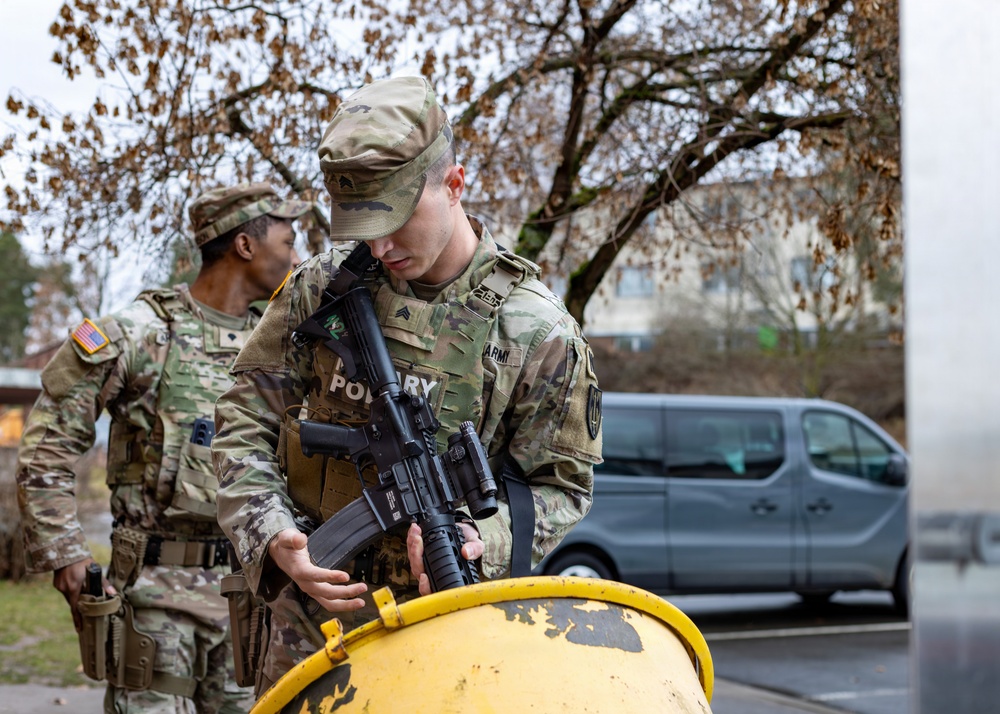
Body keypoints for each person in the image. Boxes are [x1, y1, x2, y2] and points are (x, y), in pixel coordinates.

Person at [212, 75, 603, 693]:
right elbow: (241, 425)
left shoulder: (538, 332)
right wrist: (271, 534)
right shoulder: (321, 289)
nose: (381, 243)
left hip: (448, 633)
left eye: (397, 218)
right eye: (364, 224)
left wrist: (484, 538)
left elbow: (563, 488)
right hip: (310, 635)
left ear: (454, 184)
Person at [16, 182, 313, 713]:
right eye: (287, 241)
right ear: (245, 245)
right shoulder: (139, 334)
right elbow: (48, 445)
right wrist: (66, 553)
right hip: (151, 597)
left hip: (248, 596)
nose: (295, 257)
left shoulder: (277, 348)